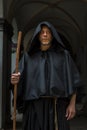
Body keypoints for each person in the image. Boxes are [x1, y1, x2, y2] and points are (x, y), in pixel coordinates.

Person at [11, 21, 81, 130]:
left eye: (48, 32)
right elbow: (18, 81)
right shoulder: (28, 58)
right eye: (42, 32)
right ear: (38, 36)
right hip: (34, 108)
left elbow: (74, 81)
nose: (45, 34)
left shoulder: (64, 56)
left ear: (52, 36)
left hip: (57, 106)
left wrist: (72, 104)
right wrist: (15, 80)